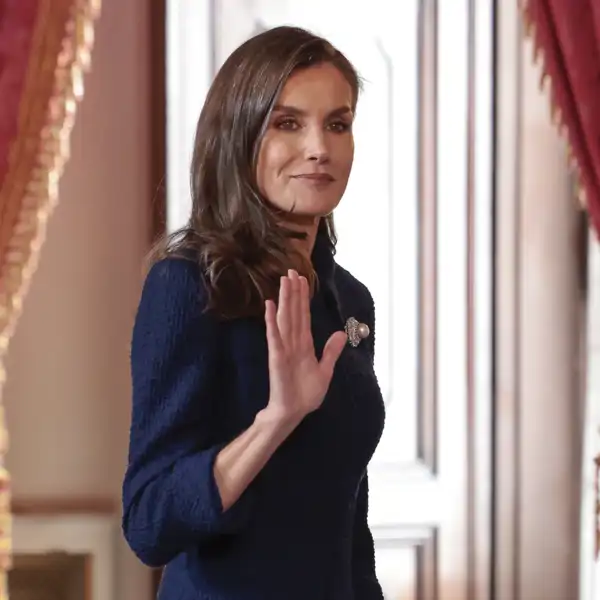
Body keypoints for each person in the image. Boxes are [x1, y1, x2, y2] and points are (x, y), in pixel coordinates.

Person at [122, 25, 386, 600]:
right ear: (241, 137)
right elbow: (149, 524)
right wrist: (277, 420)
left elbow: (347, 523)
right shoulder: (189, 286)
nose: (320, 147)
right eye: (288, 123)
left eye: (337, 124)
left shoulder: (350, 301)